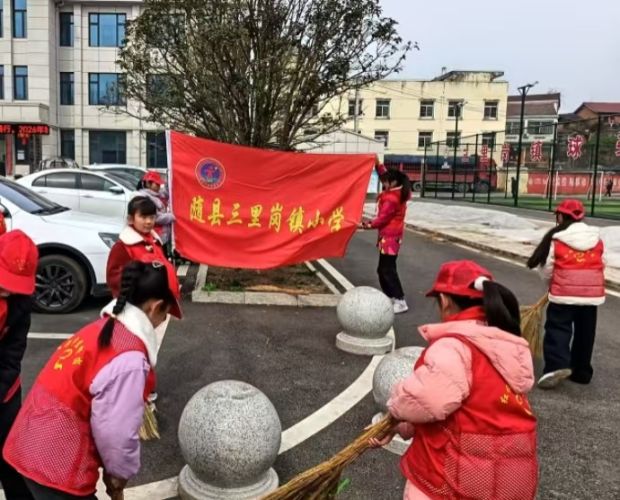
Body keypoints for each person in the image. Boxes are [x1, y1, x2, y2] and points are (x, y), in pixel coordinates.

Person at [3, 257, 182, 500]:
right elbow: (115, 433)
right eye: (166, 313)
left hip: (26, 444)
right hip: (58, 467)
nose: (163, 321)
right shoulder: (129, 358)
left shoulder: (99, 329)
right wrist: (118, 474)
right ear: (155, 307)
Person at [370, 260, 538, 500]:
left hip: (453, 480)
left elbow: (425, 400)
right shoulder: (508, 347)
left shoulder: (455, 347)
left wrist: (394, 410)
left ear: (445, 301)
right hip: (511, 481)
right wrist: (397, 426)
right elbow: (469, 411)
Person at [527, 199, 605, 389]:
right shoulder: (596, 239)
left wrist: (552, 284)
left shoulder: (557, 239)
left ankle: (556, 366)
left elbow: (547, 268)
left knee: (558, 328)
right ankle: (581, 372)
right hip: (592, 295)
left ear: (561, 216)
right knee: (586, 332)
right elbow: (601, 264)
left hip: (564, 294)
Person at [0, 230, 38, 499]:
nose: (9, 290)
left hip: (5, 391)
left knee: (12, 460)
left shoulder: (21, 304)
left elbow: (12, 355)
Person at [362, 165, 412, 314]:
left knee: (387, 270)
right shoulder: (399, 191)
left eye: (385, 182)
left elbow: (383, 218)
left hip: (390, 238)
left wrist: (366, 225)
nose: (383, 184)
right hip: (391, 237)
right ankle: (392, 297)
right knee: (383, 269)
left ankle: (400, 300)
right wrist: (378, 164)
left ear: (393, 182)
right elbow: (385, 174)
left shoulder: (391, 199)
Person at [106, 196, 170, 298]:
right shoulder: (122, 246)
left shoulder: (155, 241)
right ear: (130, 219)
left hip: (157, 299)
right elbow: (113, 278)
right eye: (143, 217)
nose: (149, 221)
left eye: (152, 217)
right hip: (136, 300)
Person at [137, 171, 175, 253]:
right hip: (153, 236)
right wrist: (173, 216)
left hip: (161, 236)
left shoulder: (156, 194)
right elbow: (156, 217)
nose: (159, 186)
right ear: (148, 184)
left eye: (159, 184)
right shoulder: (144, 198)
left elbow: (166, 192)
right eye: (157, 184)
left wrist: (171, 177)